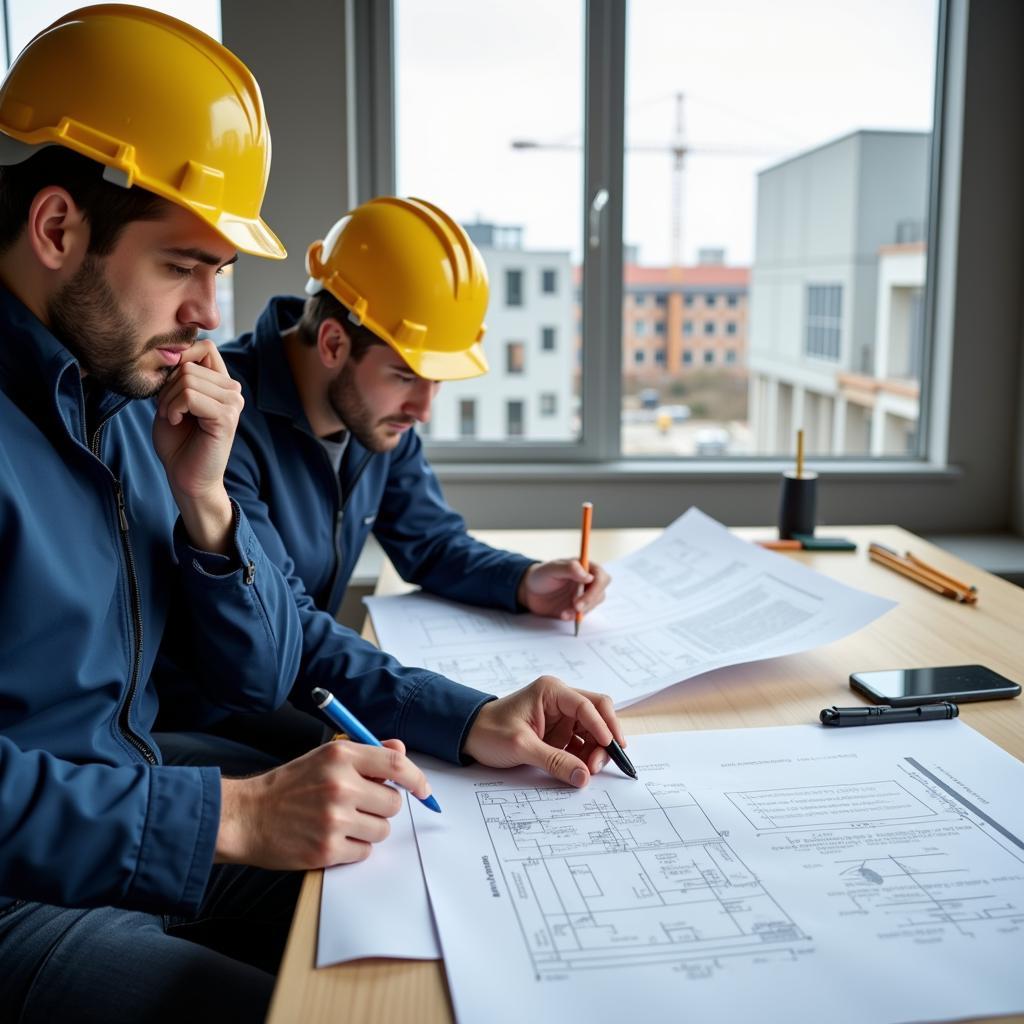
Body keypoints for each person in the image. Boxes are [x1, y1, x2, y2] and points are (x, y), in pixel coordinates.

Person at [0, 9, 442, 1023]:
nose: (210, 311)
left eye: (218, 274)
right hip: (19, 898)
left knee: (414, 901)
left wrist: (205, 504)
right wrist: (230, 813)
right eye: (180, 266)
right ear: (58, 228)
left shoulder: (127, 403)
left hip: (129, 801)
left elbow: (250, 676)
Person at [156, 196, 621, 784]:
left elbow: (429, 541)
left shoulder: (374, 416)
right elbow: (293, 631)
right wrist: (473, 717)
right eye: (405, 376)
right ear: (332, 343)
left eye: (435, 382)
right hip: (206, 717)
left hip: (291, 688)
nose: (423, 409)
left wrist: (525, 581)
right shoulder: (221, 422)